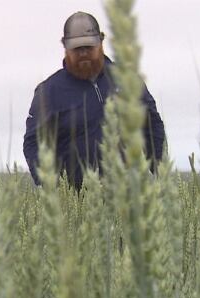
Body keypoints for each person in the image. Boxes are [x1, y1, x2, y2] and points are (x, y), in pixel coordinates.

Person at [23, 11, 166, 189]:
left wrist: (162, 176)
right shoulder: (49, 92)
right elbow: (33, 144)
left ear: (101, 43)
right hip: (76, 204)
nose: (83, 53)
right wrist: (53, 190)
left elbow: (153, 129)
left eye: (88, 47)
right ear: (65, 47)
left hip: (129, 199)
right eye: (77, 48)